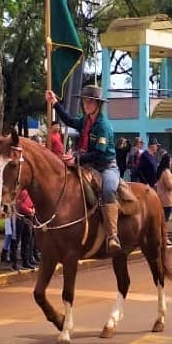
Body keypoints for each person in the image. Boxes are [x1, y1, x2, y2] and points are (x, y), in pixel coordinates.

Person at [46, 85, 122, 253]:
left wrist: (76, 158)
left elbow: (99, 153)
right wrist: (55, 103)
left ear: (98, 104)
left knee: (108, 190)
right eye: (85, 101)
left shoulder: (103, 126)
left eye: (90, 101)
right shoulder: (85, 120)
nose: (86, 104)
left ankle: (112, 236)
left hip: (106, 167)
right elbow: (69, 121)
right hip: (86, 164)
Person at [155, 152, 172, 223]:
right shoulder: (166, 172)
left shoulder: (161, 170)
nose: (171, 163)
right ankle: (163, 232)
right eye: (170, 161)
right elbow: (170, 186)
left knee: (163, 218)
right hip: (167, 199)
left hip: (162, 197)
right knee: (165, 218)